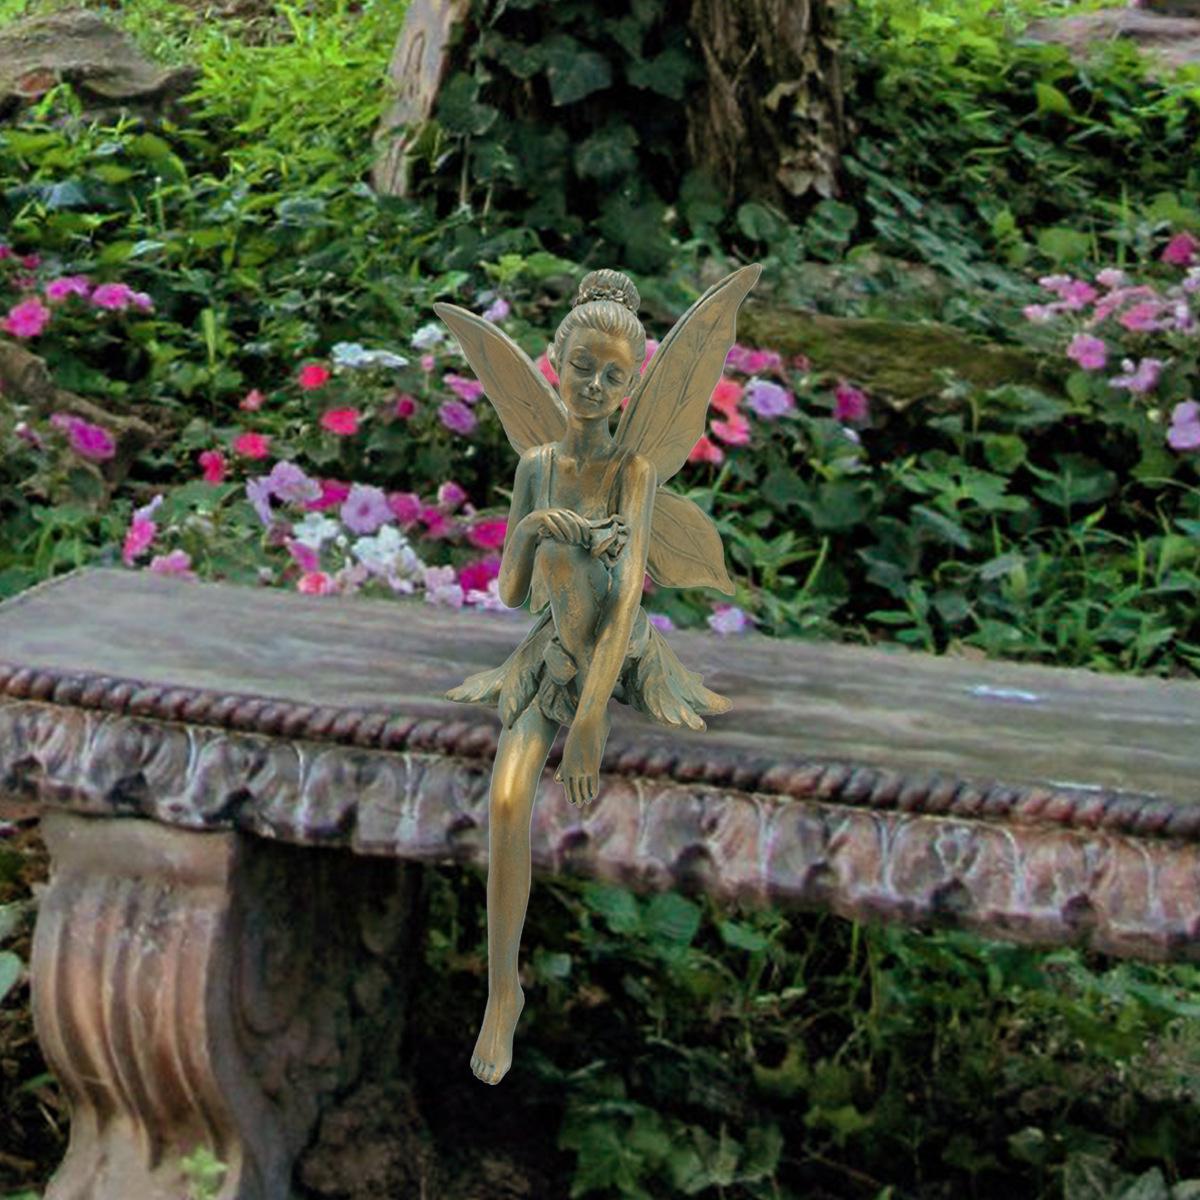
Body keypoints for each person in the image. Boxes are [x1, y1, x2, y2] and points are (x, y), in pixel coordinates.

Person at [435, 263, 759, 1084]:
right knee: (506, 796)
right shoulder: (536, 466)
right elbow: (513, 594)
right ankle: (501, 993)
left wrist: (588, 722)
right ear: (554, 361)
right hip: (550, 650)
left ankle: (515, 988)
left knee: (600, 660)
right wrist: (531, 529)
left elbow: (624, 602)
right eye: (582, 368)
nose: (594, 387)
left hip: (614, 649)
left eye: (614, 377)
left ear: (632, 387)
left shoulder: (632, 475)